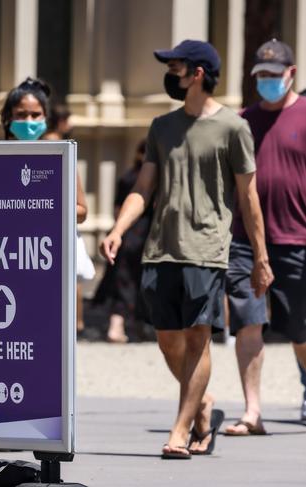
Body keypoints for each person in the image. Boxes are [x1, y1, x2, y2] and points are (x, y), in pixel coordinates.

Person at [100, 39, 273, 459]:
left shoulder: (233, 128)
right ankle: (201, 403)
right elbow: (144, 188)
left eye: (175, 67)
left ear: (197, 73)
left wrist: (260, 257)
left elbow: (248, 197)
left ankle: (179, 430)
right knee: (167, 341)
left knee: (198, 339)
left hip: (209, 249)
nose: (169, 74)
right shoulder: (162, 127)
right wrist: (119, 228)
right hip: (162, 249)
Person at [224, 39, 306, 435]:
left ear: (291, 74)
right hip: (244, 241)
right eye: (262, 76)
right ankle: (251, 411)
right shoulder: (242, 122)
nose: (268, 81)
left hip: (297, 238)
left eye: (275, 75)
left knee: (299, 330)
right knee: (248, 323)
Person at [0, 79, 93, 334]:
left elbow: (82, 211)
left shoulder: (60, 156)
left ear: (45, 117)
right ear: (8, 117)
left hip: (47, 256)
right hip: (5, 259)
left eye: (35, 114)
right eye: (21, 115)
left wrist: (45, 207)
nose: (28, 121)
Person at [92, 140, 153, 343]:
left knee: (126, 283)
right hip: (139, 238)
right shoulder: (140, 180)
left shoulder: (128, 177)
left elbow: (118, 210)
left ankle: (130, 327)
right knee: (127, 284)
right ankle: (118, 327)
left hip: (127, 236)